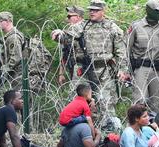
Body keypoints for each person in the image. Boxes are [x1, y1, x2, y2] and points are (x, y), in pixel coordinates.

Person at [52, 0, 128, 131]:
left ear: (103, 11)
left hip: (103, 69)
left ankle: (107, 131)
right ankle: (78, 129)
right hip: (83, 68)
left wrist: (122, 70)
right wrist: (58, 34)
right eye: (90, 10)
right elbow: (65, 38)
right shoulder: (82, 26)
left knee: (105, 101)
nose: (92, 12)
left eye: (95, 10)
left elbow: (121, 51)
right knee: (78, 99)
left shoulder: (112, 27)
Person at [124, 0, 159, 114]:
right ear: (149, 11)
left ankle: (154, 127)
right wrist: (127, 70)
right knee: (140, 100)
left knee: (158, 101)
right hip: (141, 68)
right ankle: (137, 127)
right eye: (157, 11)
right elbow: (126, 49)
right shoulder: (136, 27)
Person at [0, 11, 26, 90]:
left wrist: (3, 70)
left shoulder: (13, 37)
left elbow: (16, 58)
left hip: (18, 76)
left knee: (19, 100)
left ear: (8, 21)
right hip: (15, 76)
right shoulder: (9, 36)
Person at [54, 6, 85, 85]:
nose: (67, 19)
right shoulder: (70, 33)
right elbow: (65, 55)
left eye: (69, 16)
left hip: (85, 68)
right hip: (74, 69)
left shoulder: (86, 29)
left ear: (78, 17)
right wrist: (61, 73)